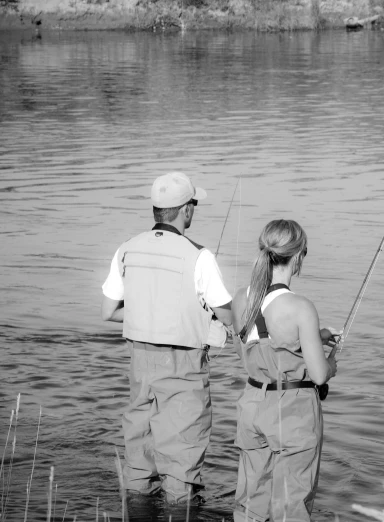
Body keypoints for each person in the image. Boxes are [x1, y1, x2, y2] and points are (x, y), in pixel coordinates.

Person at [100, 171, 234, 505]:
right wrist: (210, 322)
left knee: (139, 454)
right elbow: (232, 317)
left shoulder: (126, 249)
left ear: (158, 210)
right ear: (186, 209)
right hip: (183, 364)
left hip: (140, 362)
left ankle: (138, 508)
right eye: (194, 204)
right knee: (182, 459)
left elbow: (109, 311)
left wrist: (152, 318)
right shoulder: (199, 256)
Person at [230, 219, 340, 522]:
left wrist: (317, 337)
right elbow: (318, 375)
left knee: (251, 500)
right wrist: (331, 363)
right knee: (291, 506)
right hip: (292, 412)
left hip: (252, 404)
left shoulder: (241, 298)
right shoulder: (300, 306)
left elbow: (258, 348)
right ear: (299, 255)